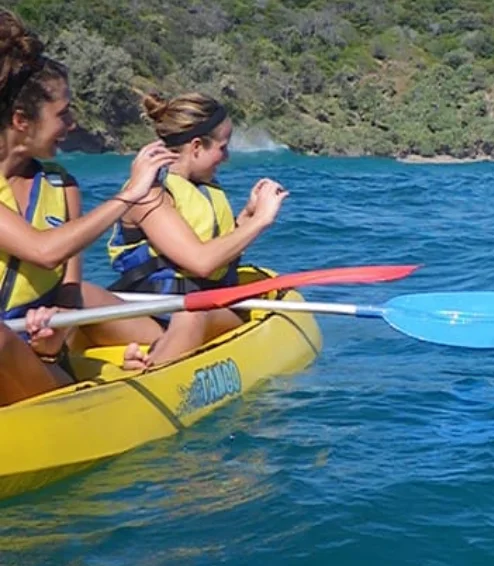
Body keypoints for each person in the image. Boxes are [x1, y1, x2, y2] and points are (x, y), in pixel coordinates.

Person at [0, 9, 176, 406]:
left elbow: (69, 292)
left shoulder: (63, 187)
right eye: (62, 114)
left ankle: (151, 362)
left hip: (41, 363)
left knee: (99, 303)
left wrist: (51, 341)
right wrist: (127, 196)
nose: (73, 124)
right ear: (21, 121)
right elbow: (44, 252)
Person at [106, 90, 288, 370]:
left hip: (206, 311)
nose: (226, 157)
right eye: (222, 147)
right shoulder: (148, 193)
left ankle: (150, 367)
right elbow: (201, 262)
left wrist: (245, 218)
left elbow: (210, 252)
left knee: (190, 313)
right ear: (196, 148)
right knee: (77, 293)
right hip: (150, 312)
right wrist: (260, 220)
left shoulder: (202, 186)